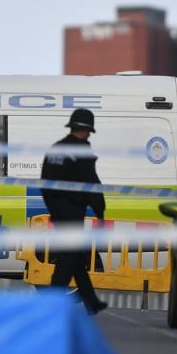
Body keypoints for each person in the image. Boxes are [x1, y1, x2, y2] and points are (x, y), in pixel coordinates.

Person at [40, 108, 109, 315]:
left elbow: (45, 183)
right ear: (86, 130)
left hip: (59, 212)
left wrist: (54, 208)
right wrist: (100, 211)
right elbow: (91, 183)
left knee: (76, 258)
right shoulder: (81, 151)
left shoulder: (56, 149)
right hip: (72, 212)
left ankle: (91, 302)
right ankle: (51, 304)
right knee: (68, 259)